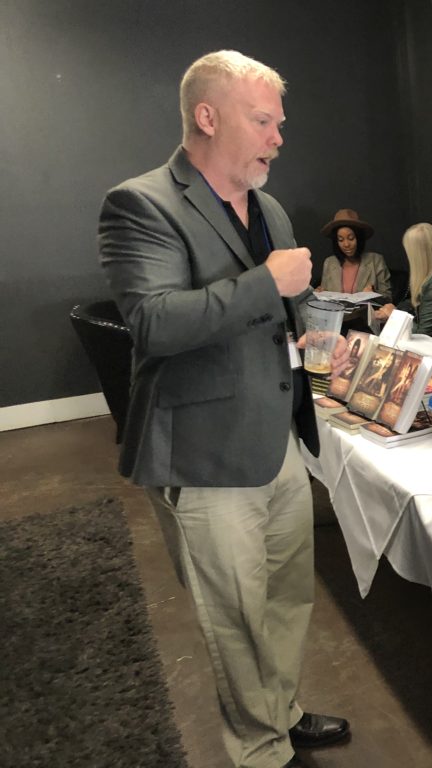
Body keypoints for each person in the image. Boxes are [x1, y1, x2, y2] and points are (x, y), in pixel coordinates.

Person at [98, 50, 350, 768]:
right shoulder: (140, 203)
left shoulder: (266, 204)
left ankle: (283, 710)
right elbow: (152, 323)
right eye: (263, 120)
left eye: (278, 122)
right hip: (204, 451)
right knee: (235, 618)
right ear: (207, 117)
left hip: (275, 438)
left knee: (286, 599)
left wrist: (295, 325)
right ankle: (260, 750)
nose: (278, 136)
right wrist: (266, 286)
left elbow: (265, 316)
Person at [316, 208, 391, 298]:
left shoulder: (376, 261)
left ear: (359, 238)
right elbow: (325, 294)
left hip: (365, 311)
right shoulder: (329, 263)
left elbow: (388, 298)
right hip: (337, 312)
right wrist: (321, 293)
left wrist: (374, 293)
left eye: (351, 238)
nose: (346, 244)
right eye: (341, 240)